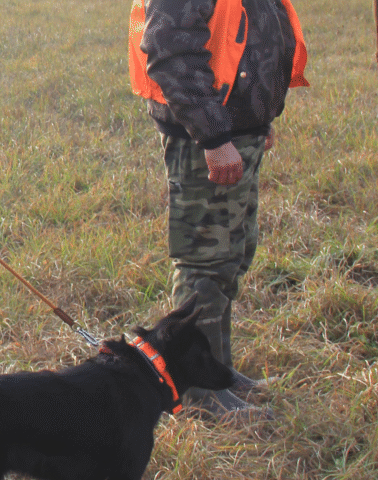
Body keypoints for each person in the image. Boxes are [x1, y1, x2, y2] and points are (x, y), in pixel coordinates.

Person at [129, 0, 308, 418]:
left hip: (234, 129)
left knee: (231, 255)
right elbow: (170, 50)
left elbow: (248, 36)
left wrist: (257, 117)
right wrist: (214, 137)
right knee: (205, 263)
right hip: (205, 138)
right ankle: (196, 392)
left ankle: (217, 371)